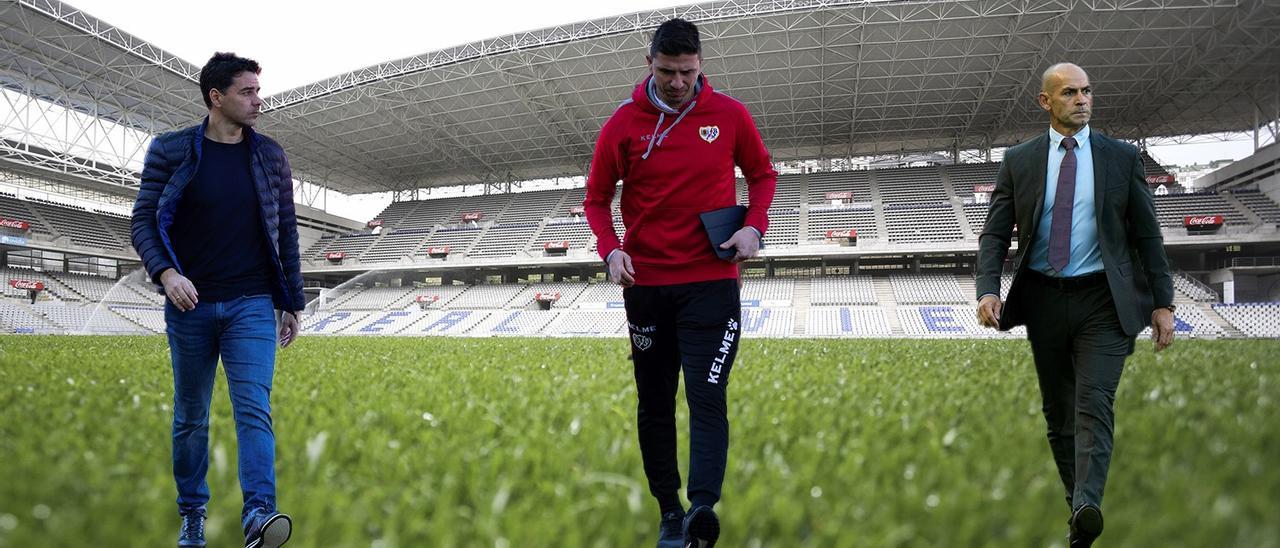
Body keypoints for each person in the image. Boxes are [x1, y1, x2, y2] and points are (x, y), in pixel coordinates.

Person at [583, 18, 777, 548]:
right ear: (649, 64)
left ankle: (703, 511)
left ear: (700, 65)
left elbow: (763, 174)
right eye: (667, 71)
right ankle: (670, 510)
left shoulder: (729, 115)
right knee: (654, 401)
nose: (676, 82)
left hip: (712, 282)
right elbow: (596, 199)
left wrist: (754, 228)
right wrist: (611, 248)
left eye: (687, 72)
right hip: (645, 285)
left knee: (708, 397)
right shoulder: (622, 125)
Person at [975, 63, 1175, 547]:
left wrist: (1162, 301)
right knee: (1059, 416)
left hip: (1104, 301)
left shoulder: (1122, 158)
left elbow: (1147, 233)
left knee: (1094, 404)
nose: (1082, 100)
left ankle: (1089, 502)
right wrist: (987, 288)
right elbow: (995, 231)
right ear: (1046, 101)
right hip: (1043, 298)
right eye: (1069, 93)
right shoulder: (1019, 159)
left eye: (1087, 91)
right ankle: (1078, 512)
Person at [131, 52, 304, 548]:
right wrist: (165, 274)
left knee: (254, 409)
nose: (257, 100)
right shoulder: (170, 150)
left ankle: (258, 515)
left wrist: (290, 303)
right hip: (190, 304)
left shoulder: (271, 155)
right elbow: (143, 219)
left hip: (251, 302)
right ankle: (192, 514)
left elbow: (286, 232)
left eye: (257, 89)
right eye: (247, 91)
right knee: (191, 415)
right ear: (216, 97)